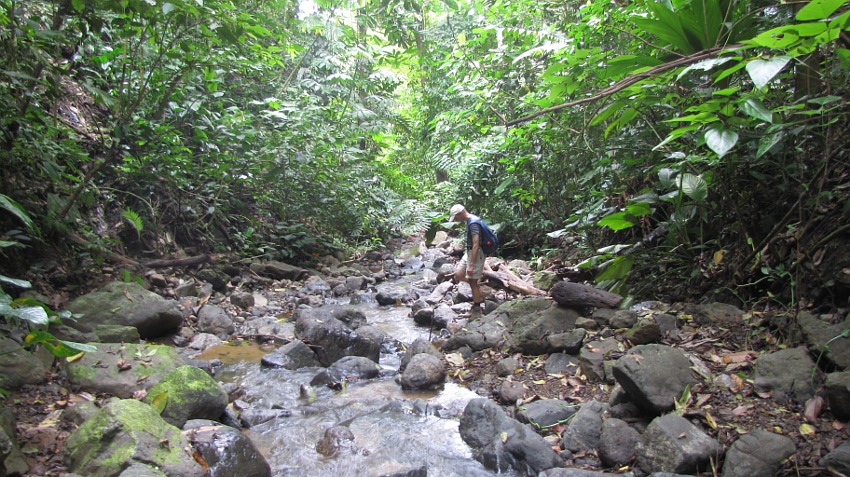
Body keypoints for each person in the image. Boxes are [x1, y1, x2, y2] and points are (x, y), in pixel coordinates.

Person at [449, 204, 487, 313]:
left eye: (456, 217)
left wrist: (471, 265)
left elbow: (476, 244)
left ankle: (477, 307)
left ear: (460, 213)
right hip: (470, 252)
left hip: (476, 252)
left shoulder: (473, 223)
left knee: (472, 282)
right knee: (459, 274)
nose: (456, 219)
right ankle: (478, 290)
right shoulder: (470, 221)